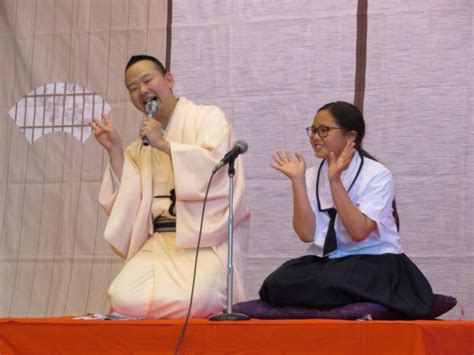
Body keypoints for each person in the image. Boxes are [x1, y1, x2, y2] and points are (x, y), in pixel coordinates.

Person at [89, 55, 250, 319]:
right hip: (160, 241)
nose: (142, 91)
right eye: (132, 88)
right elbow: (130, 197)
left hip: (203, 240)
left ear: (169, 80)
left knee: (194, 303)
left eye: (147, 80)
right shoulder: (140, 145)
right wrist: (115, 151)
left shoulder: (207, 117)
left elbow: (216, 165)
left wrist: (164, 144)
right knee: (123, 300)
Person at [259, 101, 434, 319]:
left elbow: (359, 232)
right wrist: (297, 181)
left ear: (351, 136)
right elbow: (306, 235)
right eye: (312, 130)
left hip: (374, 259)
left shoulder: (377, 174)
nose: (315, 137)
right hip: (330, 260)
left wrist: (335, 182)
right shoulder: (311, 174)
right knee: (275, 284)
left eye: (323, 130)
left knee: (330, 283)